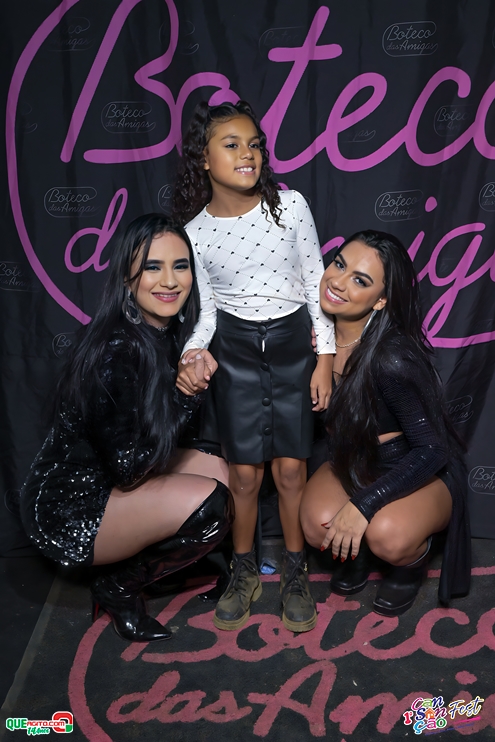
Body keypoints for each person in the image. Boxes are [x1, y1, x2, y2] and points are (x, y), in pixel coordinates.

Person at [20, 214, 234, 642]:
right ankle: (117, 587)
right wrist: (186, 393)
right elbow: (130, 469)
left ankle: (154, 564)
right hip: (73, 507)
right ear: (126, 277)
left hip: (113, 478)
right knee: (212, 507)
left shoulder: (163, 331)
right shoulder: (116, 350)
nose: (170, 281)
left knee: (217, 469)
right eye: (153, 267)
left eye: (180, 266)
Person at [172, 100, 335, 632]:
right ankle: (244, 572)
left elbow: (315, 285)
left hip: (292, 351)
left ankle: (294, 572)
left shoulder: (290, 206)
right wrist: (192, 353)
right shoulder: (194, 232)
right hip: (235, 355)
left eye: (255, 144)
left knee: (290, 470)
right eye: (232, 144)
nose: (248, 154)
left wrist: (325, 358)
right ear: (203, 158)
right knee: (244, 476)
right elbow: (206, 313)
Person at [300, 230, 470, 617]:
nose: (338, 282)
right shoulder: (314, 336)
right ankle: (354, 551)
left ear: (380, 300)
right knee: (315, 525)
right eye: (339, 264)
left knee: (388, 536)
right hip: (352, 460)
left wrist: (364, 504)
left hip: (412, 467)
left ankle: (409, 566)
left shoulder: (390, 358)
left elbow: (433, 450)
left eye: (360, 280)